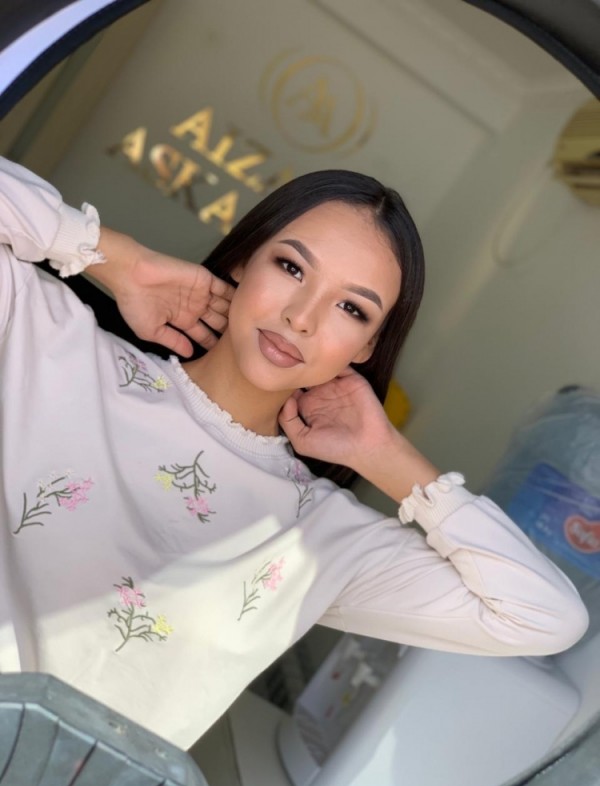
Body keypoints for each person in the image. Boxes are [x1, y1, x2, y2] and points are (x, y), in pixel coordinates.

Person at [0, 156, 588, 749]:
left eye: (351, 309)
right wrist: (119, 259)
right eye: (291, 267)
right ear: (242, 260)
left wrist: (386, 456)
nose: (301, 318)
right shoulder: (50, 342)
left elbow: (544, 616)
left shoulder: (323, 537)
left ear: (367, 346)